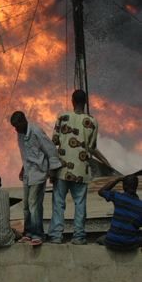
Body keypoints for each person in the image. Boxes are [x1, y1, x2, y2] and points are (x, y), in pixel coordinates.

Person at [49, 90, 108, 245]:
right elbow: (91, 147)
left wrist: (51, 168)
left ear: (72, 101)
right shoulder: (92, 122)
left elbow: (53, 142)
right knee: (80, 204)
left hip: (63, 169)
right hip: (81, 170)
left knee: (58, 203)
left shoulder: (62, 117)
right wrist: (105, 160)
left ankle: (56, 236)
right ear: (86, 102)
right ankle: (79, 237)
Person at [10, 110, 62, 246]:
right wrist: (22, 168)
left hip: (38, 173)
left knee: (34, 204)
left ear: (23, 121)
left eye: (17, 126)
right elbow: (27, 154)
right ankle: (28, 232)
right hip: (28, 173)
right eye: (14, 127)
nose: (15, 129)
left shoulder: (36, 131)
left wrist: (52, 170)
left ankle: (38, 234)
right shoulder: (20, 134)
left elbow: (50, 149)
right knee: (26, 205)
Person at [97, 173, 142, 250]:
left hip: (111, 241)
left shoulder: (117, 196)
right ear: (136, 187)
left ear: (124, 186)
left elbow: (101, 191)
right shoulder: (140, 205)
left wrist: (117, 180)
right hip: (128, 244)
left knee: (100, 239)